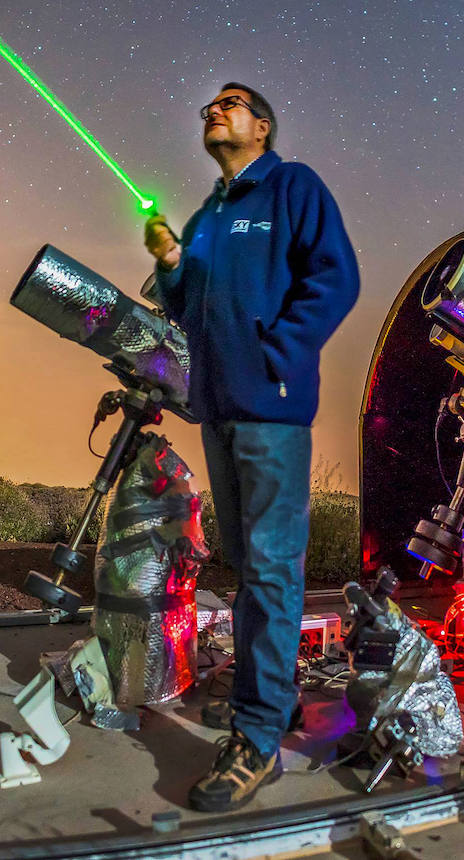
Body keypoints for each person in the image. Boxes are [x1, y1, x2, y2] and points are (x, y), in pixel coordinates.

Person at [144, 82, 359, 812]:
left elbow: (337, 278)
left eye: (232, 104)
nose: (214, 109)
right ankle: (270, 697)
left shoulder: (292, 188)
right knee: (245, 562)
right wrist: (173, 259)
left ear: (262, 127)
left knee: (269, 566)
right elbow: (184, 306)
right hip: (219, 409)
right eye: (210, 104)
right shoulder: (209, 214)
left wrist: (280, 354)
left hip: (270, 410)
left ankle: (260, 737)